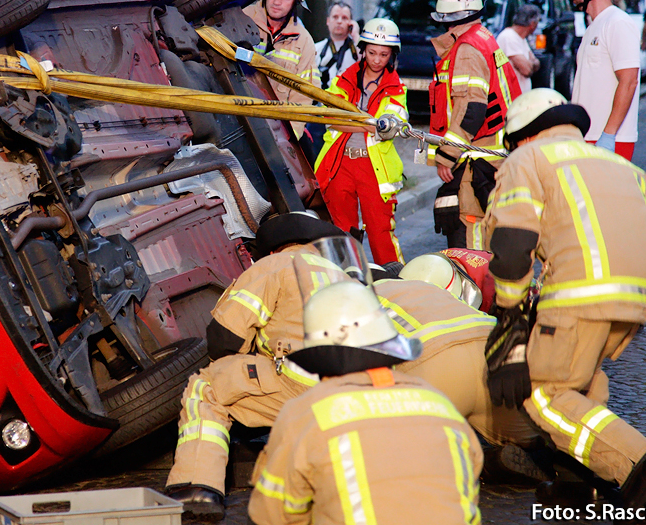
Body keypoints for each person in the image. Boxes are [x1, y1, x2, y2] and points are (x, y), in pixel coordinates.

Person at [478, 88, 646, 508]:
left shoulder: (527, 159)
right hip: (641, 293)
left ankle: (642, 465)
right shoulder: (622, 165)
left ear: (522, 136)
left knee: (545, 389)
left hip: (583, 290)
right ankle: (580, 480)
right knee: (579, 382)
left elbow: (512, 243)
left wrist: (510, 315)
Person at [248, 280, 483, 525]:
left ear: (320, 361)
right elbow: (468, 487)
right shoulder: (441, 406)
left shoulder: (306, 414)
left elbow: (270, 514)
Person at [165, 212, 347, 521]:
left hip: (302, 387)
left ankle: (196, 486)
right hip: (352, 388)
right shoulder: (342, 273)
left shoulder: (274, 266)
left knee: (208, 385)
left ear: (273, 248)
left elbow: (225, 339)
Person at [382, 254, 545, 480]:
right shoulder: (438, 279)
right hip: (488, 343)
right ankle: (547, 457)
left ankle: (469, 459)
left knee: (402, 451)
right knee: (536, 434)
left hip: (436, 362)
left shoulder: (367, 299)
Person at [428, 0, 521, 250]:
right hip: (494, 157)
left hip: (477, 160)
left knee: (472, 238)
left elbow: (471, 110)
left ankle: (477, 291)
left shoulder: (467, 49)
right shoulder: (484, 38)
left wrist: (446, 155)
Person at [313, 18, 407, 264]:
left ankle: (394, 286)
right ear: (363, 50)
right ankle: (347, 281)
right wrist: (369, 122)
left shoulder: (397, 88)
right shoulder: (344, 79)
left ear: (392, 55)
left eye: (384, 54)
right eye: (372, 52)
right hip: (339, 164)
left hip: (374, 169)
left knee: (380, 232)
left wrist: (353, 119)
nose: (377, 59)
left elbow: (389, 128)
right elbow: (329, 117)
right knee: (341, 232)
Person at [566, 0, 639, 161]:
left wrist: (608, 135)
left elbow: (629, 81)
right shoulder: (594, 27)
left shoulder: (618, 22)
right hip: (589, 137)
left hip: (608, 139)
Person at [244, 0, 320, 148]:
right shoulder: (241, 19)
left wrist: (286, 142)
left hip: (277, 132)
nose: (276, 2)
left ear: (297, 1)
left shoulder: (304, 43)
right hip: (237, 122)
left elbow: (303, 97)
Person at [496, 4, 542, 93]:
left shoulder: (522, 38)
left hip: (519, 98)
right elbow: (526, 70)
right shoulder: (509, 37)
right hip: (509, 99)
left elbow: (536, 62)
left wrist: (530, 63)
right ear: (532, 24)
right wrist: (531, 64)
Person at [315, 2, 360, 89]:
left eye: (344, 18)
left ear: (351, 23)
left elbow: (369, 62)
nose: (339, 21)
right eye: (335, 17)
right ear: (328, 21)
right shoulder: (316, 49)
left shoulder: (357, 50)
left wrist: (356, 35)